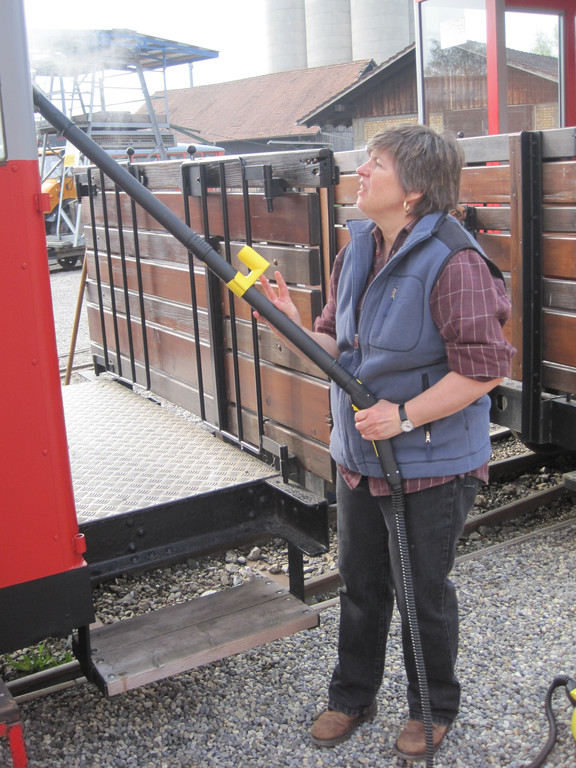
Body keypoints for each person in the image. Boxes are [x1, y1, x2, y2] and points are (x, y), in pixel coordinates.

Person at [256, 124, 515, 762]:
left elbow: (485, 368)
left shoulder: (454, 261)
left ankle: (432, 709)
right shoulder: (357, 249)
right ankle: (353, 697)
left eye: (377, 163)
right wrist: (290, 324)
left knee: (421, 592)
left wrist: (402, 416)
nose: (362, 172)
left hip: (430, 464)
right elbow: (337, 350)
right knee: (361, 585)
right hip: (359, 459)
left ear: (414, 190)